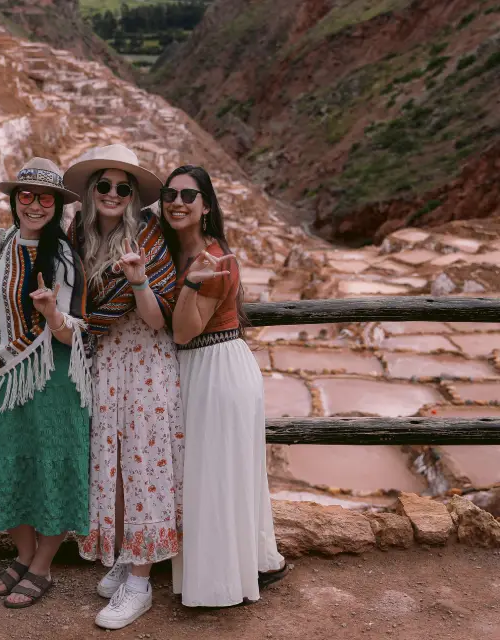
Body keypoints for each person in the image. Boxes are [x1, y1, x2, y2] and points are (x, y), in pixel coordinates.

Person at [64, 144, 182, 630]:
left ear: (134, 197)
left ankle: (140, 583)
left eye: (122, 188)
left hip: (146, 360)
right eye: (104, 185)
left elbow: (158, 320)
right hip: (104, 361)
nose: (112, 194)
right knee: (110, 464)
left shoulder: (150, 237)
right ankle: (129, 556)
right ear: (92, 192)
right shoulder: (80, 234)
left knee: (143, 464)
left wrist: (137, 281)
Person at [0, 158, 92, 609]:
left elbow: (75, 328)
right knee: (2, 461)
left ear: (57, 206)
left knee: (53, 464)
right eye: (26, 196)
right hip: (5, 373)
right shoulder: (0, 246)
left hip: (53, 375)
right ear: (14, 201)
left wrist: (51, 313)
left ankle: (41, 565)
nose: (34, 205)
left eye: (44, 198)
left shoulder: (63, 256)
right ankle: (23, 553)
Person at [161, 164, 286, 607]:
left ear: (207, 206)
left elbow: (183, 331)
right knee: (209, 473)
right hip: (199, 371)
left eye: (189, 196)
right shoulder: (169, 250)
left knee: (213, 476)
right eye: (169, 194)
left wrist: (192, 283)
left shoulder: (214, 261)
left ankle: (219, 583)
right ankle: (242, 563)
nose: (177, 202)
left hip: (215, 368)